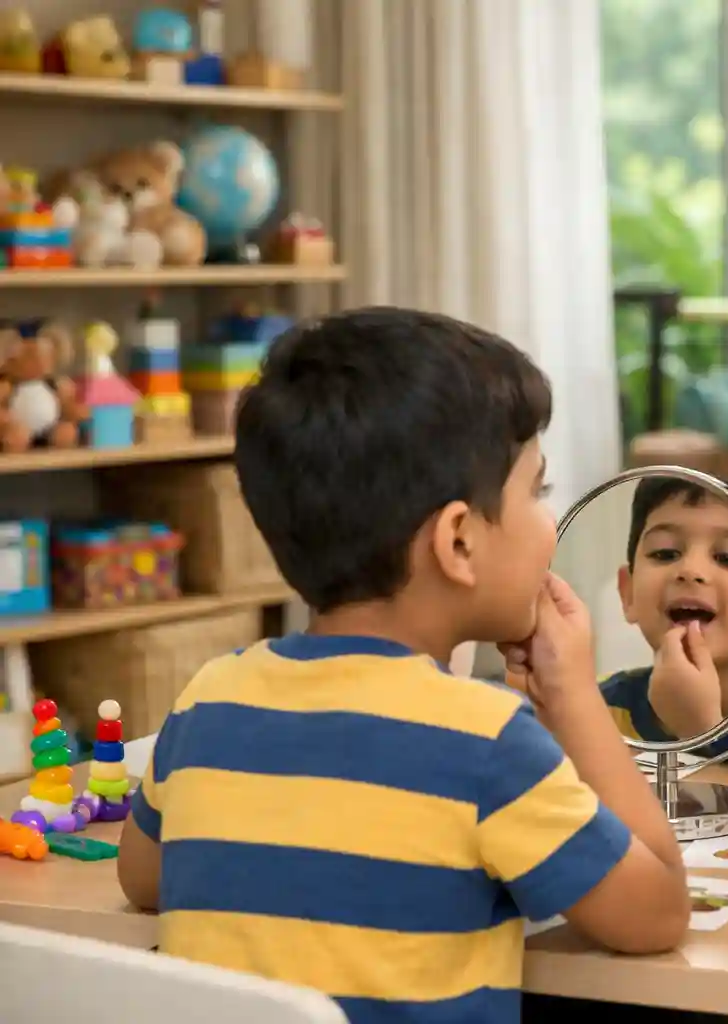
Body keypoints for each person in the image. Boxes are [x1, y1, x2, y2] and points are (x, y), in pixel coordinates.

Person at [116, 307, 691, 1024]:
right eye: (537, 491)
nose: (548, 519)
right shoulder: (486, 741)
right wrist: (571, 694)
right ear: (458, 542)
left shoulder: (210, 699)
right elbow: (658, 911)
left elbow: (141, 877)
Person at [601, 477, 728, 754]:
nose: (691, 570)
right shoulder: (590, 709)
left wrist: (697, 731)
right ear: (627, 593)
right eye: (666, 553)